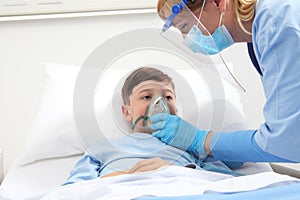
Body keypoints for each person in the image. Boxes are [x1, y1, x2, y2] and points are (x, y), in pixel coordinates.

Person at [152, 0, 300, 163]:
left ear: (217, 3)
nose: (187, 39)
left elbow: (284, 143)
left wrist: (199, 140)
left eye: (184, 27)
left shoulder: (276, 23)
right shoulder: (259, 35)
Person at [62, 67, 241, 185]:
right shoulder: (103, 147)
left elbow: (226, 183)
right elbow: (73, 189)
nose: (159, 103)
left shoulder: (192, 146)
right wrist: (130, 175)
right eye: (146, 97)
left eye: (168, 97)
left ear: (176, 109)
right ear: (126, 112)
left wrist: (174, 171)